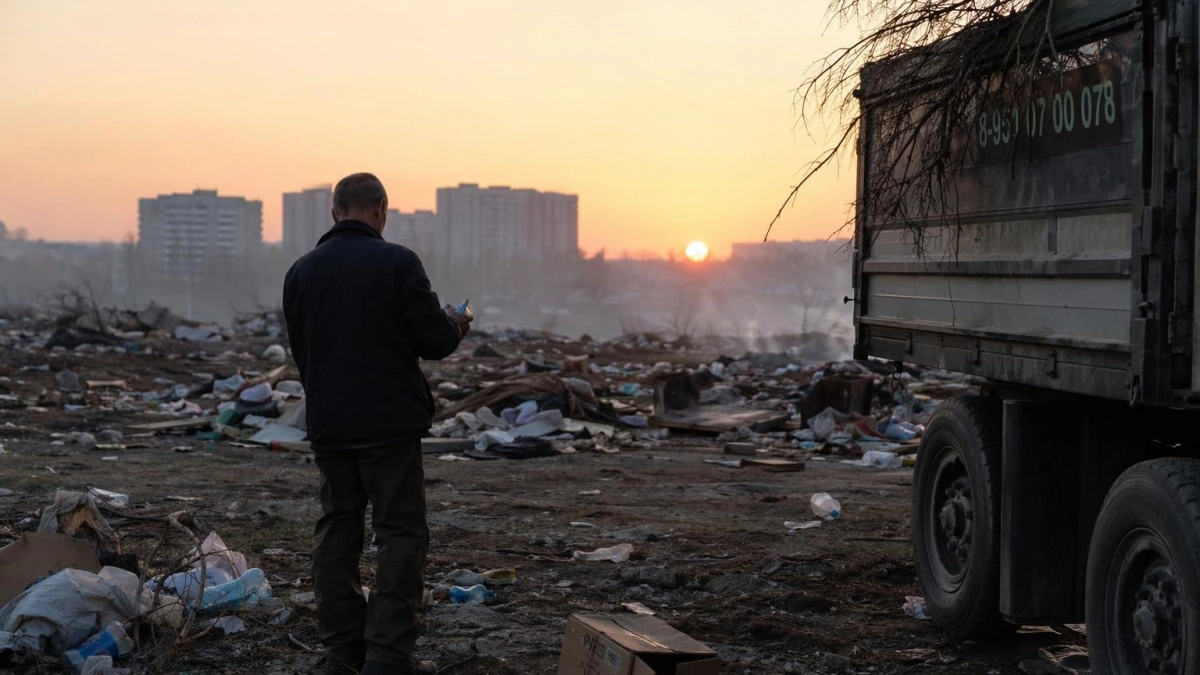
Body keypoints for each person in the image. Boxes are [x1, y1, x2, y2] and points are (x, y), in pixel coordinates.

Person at [283, 173, 471, 675]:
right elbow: (432, 341)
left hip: (330, 428)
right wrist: (455, 323)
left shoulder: (301, 272)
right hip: (389, 428)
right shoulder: (397, 262)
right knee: (400, 537)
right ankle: (388, 659)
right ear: (380, 209)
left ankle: (341, 655)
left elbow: (302, 351)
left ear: (334, 212)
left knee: (337, 536)